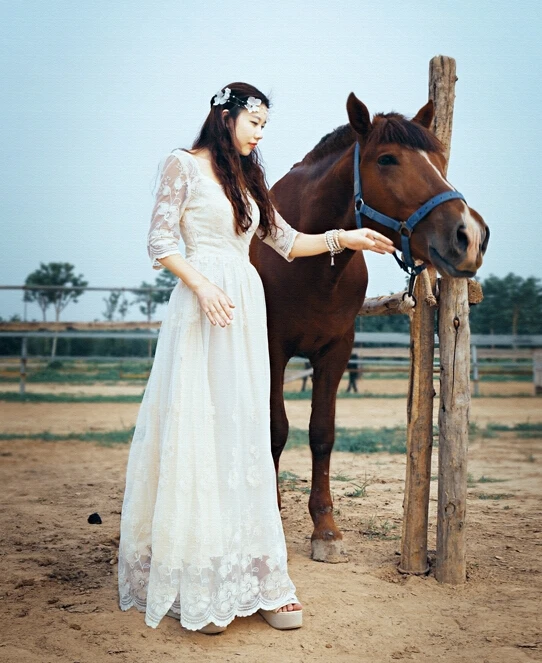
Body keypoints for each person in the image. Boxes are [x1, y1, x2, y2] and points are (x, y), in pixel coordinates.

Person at [118, 82, 394, 634]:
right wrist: (200, 286)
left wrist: (350, 238)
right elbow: (160, 241)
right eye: (254, 123)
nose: (260, 134)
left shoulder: (247, 179)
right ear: (224, 117)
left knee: (244, 435)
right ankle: (198, 578)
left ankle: (257, 575)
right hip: (203, 307)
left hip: (243, 307)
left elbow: (287, 241)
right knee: (202, 433)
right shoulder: (182, 165)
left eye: (265, 126)